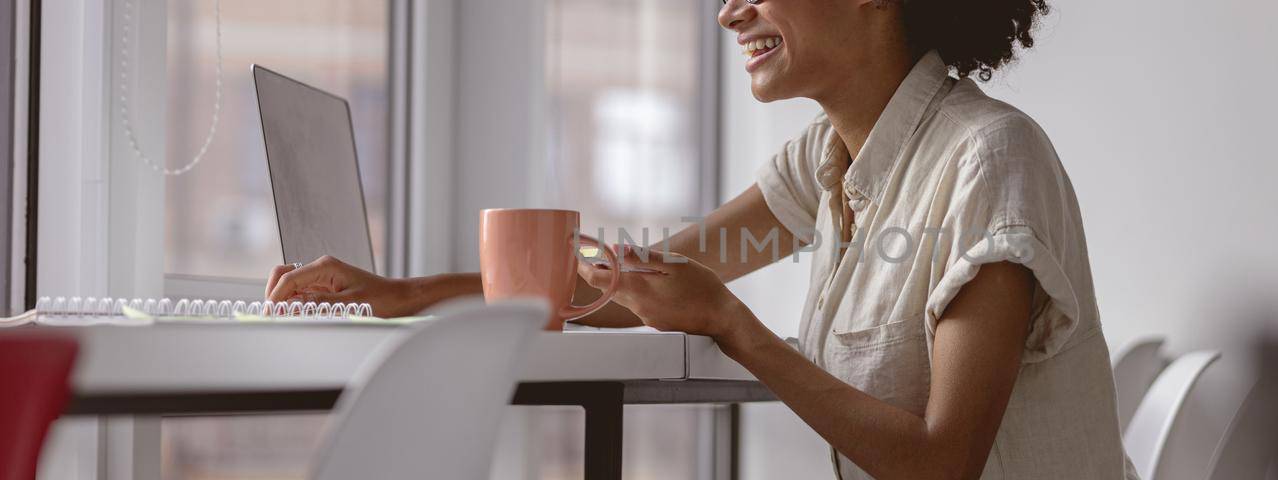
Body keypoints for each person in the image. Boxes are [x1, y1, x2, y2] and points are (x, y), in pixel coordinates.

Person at [267, 0, 1135, 478]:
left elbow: (944, 467)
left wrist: (733, 326)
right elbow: (628, 281)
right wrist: (398, 294)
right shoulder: (826, 161)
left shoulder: (989, 157)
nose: (727, 11)